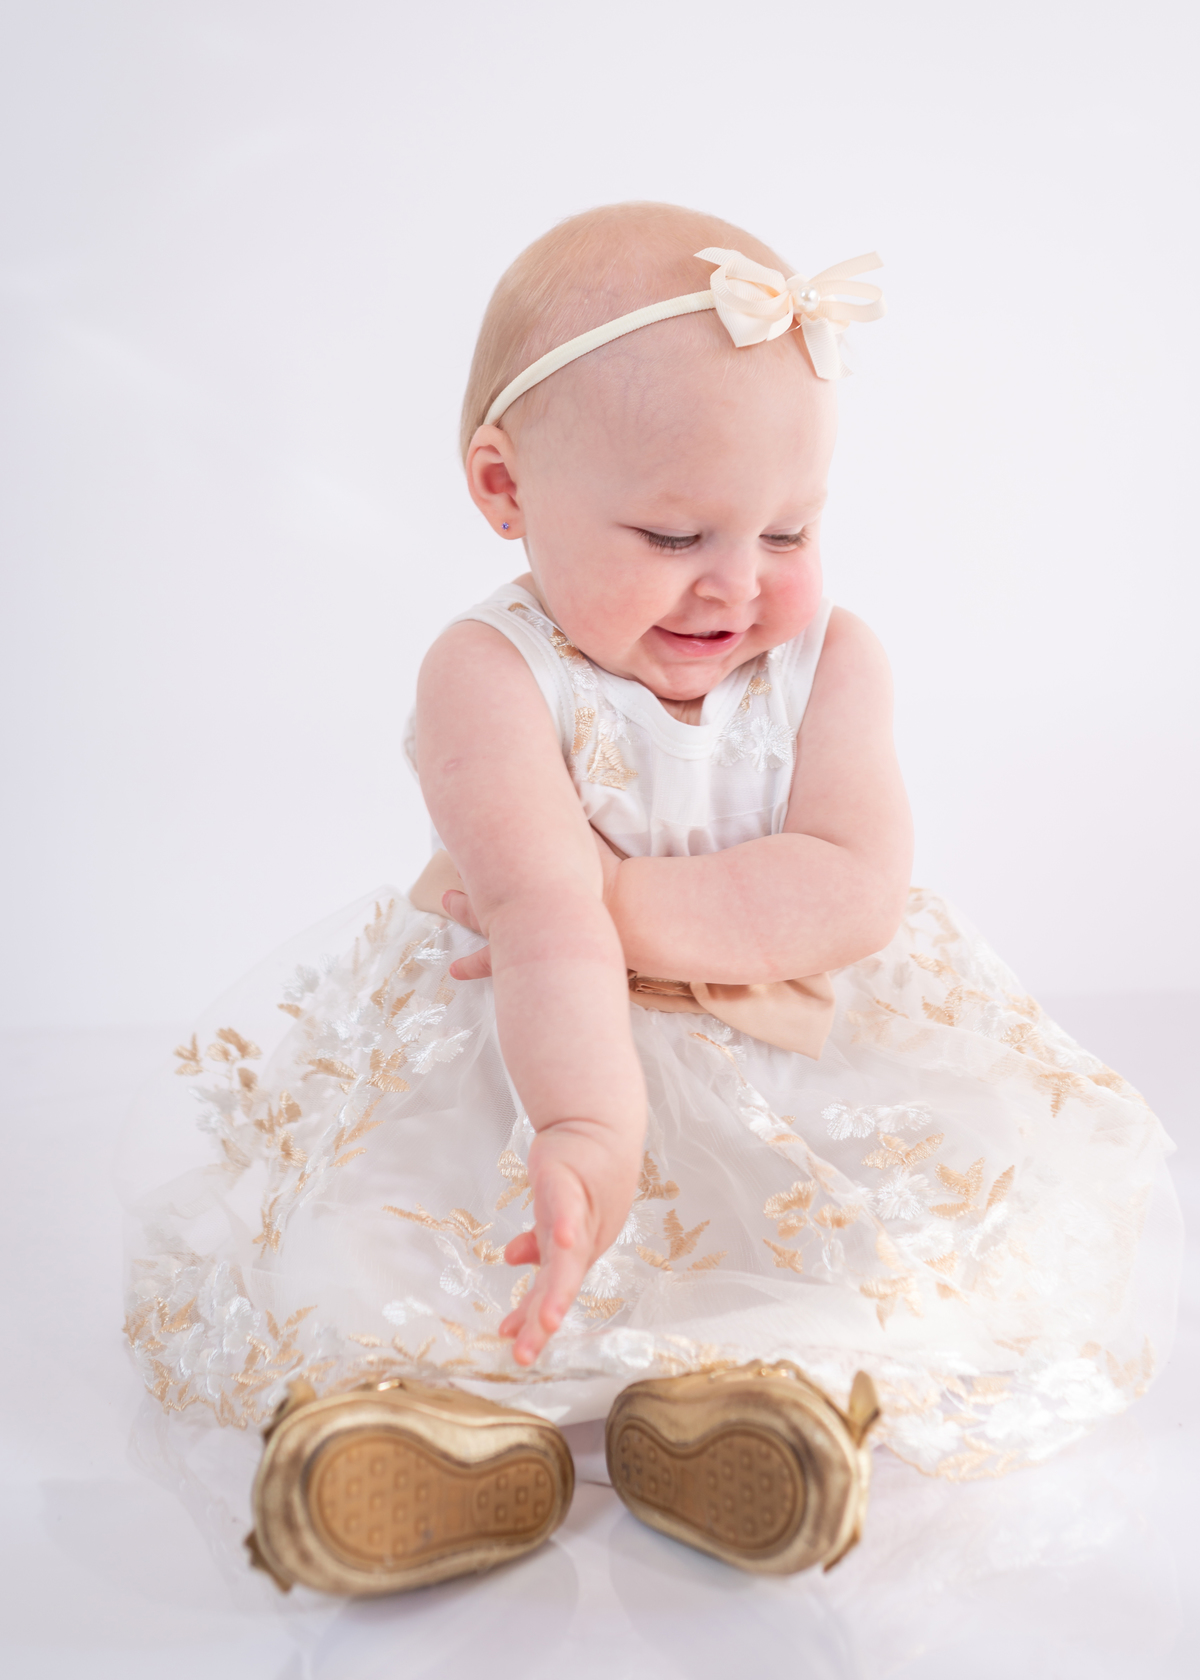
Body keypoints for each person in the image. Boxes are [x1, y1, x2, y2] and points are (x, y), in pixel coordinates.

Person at [122, 202, 1180, 1597]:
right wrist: (583, 1129)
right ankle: (439, 1436)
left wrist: (612, 893)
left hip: (792, 1060)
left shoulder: (832, 664)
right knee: (426, 1261)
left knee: (848, 1248)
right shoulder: (491, 675)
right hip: (539, 1056)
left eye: (789, 529)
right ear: (504, 489)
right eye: (675, 531)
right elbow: (539, 919)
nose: (737, 583)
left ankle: (742, 1419)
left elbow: (852, 886)